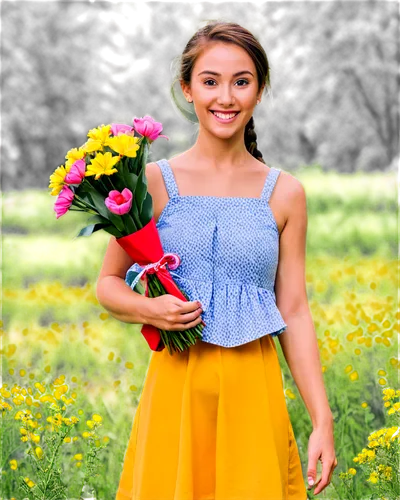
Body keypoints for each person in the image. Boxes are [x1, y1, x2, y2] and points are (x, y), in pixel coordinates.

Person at [96, 17, 337, 500]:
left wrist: (321, 419)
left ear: (260, 92)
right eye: (210, 81)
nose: (225, 98)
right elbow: (108, 284)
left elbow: (293, 310)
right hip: (175, 392)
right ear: (186, 90)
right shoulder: (151, 182)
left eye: (241, 82)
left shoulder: (285, 193)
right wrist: (151, 309)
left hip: (254, 391)